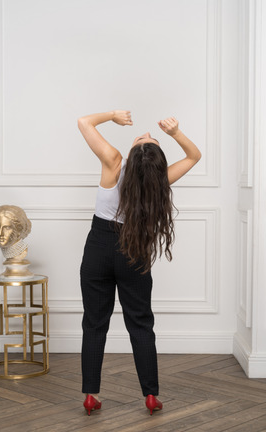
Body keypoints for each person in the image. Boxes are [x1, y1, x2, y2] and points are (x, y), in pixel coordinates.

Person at [78, 110, 201, 416]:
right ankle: (150, 396)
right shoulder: (160, 180)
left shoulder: (114, 162)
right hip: (133, 251)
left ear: (133, 156)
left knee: (94, 324)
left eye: (146, 139)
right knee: (140, 324)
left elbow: (83, 122)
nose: (145, 134)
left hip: (98, 248)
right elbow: (194, 155)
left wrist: (113, 116)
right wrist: (174, 133)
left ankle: (90, 396)